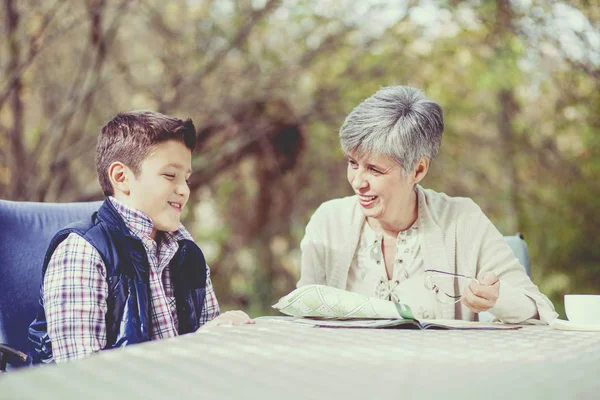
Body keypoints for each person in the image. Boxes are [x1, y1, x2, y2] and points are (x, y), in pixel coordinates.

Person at [298, 86, 557, 324]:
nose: (357, 181)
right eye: (353, 164)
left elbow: (539, 311)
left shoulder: (461, 220)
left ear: (418, 170)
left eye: (374, 170)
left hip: (441, 373)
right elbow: (305, 315)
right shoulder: (328, 221)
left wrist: (497, 298)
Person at [29, 111, 253, 364]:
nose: (184, 190)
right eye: (170, 176)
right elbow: (81, 376)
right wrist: (195, 345)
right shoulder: (82, 253)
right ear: (121, 177)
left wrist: (223, 335)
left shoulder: (187, 253)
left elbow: (208, 349)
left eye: (187, 179)